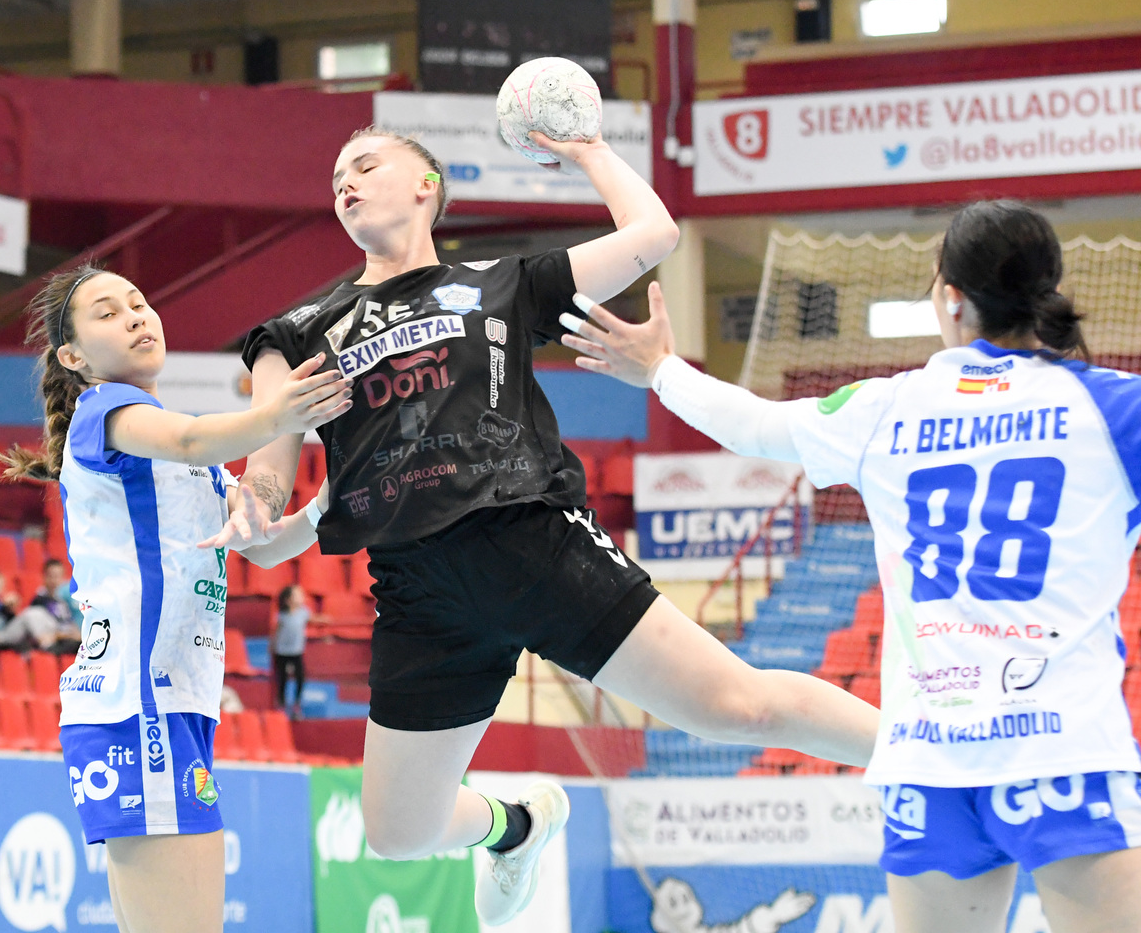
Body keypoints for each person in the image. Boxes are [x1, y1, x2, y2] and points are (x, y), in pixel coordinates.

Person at [209, 124, 880, 927]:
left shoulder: (501, 283)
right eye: (335, 175)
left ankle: (946, 756)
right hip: (417, 589)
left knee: (735, 708)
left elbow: (654, 235)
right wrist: (255, 502)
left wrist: (590, 148)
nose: (344, 182)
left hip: (535, 542)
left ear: (427, 185)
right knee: (397, 833)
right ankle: (518, 825)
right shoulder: (297, 333)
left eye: (365, 164)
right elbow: (270, 468)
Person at [557, 198, 1141, 933]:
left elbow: (756, 426)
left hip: (931, 761)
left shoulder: (889, 409)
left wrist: (662, 371)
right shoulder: (1115, 409)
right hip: (1063, 748)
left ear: (951, 299)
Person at [0, 263, 350, 933]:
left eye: (139, 301)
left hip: (175, 703)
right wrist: (282, 410)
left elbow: (265, 546)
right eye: (107, 312)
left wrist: (334, 492)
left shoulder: (197, 462)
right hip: (139, 704)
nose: (134, 315)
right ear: (73, 357)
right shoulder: (106, 413)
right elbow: (192, 435)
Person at [271, 584, 326, 719]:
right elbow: (275, 633)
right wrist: (272, 648)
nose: (302, 598)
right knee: (282, 678)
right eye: (298, 595)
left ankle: (296, 703)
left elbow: (312, 619)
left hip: (296, 652)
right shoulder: (281, 615)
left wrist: (324, 619)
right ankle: (282, 702)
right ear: (288, 600)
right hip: (282, 652)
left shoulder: (303, 612)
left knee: (300, 677)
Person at [27, 558, 83, 654]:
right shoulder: (39, 601)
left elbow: (71, 625)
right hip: (53, 646)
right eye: (51, 576)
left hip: (69, 642)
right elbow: (41, 634)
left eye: (58, 576)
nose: (54, 580)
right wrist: (64, 635)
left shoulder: (64, 601)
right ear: (44, 577)